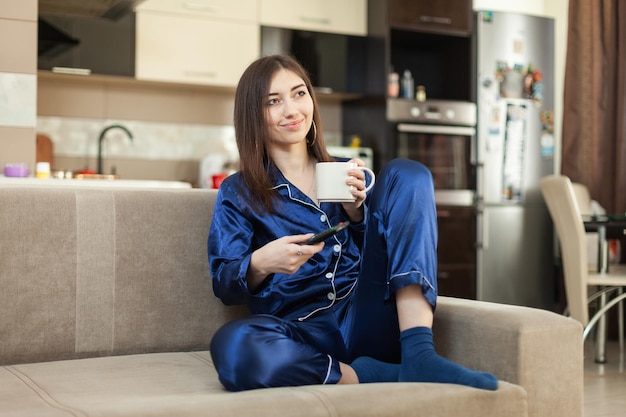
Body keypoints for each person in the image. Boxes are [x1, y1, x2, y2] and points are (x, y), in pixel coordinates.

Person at [208, 54, 498, 392]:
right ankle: (373, 375)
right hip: (302, 334)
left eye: (300, 94)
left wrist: (357, 214)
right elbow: (224, 284)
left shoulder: (350, 173)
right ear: (253, 115)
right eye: (273, 101)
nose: (291, 109)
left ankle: (419, 352)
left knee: (408, 172)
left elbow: (389, 252)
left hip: (368, 316)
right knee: (233, 343)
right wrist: (261, 262)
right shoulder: (237, 192)